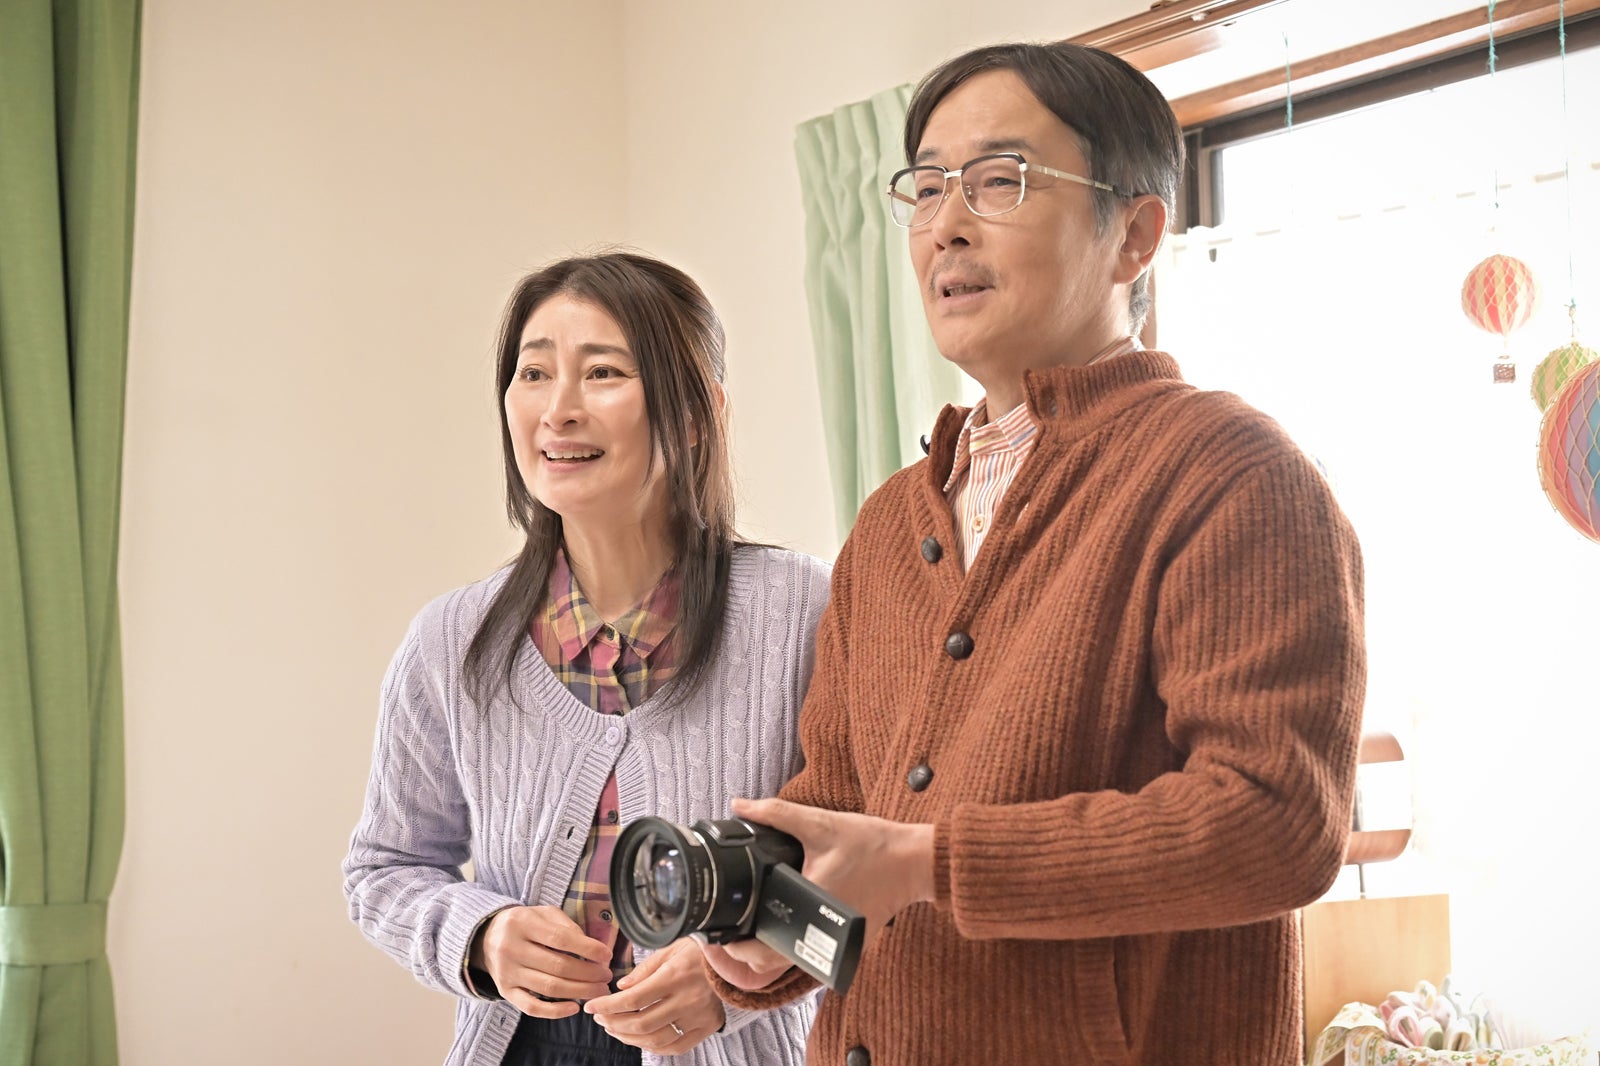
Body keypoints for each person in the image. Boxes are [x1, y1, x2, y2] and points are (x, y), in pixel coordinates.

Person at [703, 42, 1367, 1066]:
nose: (946, 224)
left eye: (999, 180)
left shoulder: (1230, 472)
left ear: (1134, 235)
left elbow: (1275, 823)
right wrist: (767, 949)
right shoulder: (888, 523)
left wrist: (931, 863)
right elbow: (842, 815)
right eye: (927, 187)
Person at [344, 252, 827, 1066]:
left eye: (602, 372)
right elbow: (384, 868)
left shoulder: (805, 610)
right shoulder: (450, 640)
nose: (558, 410)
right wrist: (483, 936)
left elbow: (869, 877)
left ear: (698, 411)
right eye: (534, 373)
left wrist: (737, 979)